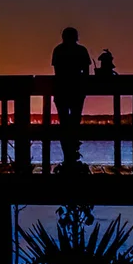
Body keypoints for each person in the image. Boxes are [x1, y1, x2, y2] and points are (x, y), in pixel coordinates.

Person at [51, 27, 91, 166]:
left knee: (64, 125)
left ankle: (67, 156)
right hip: (77, 91)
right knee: (74, 123)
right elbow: (86, 72)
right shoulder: (82, 51)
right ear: (76, 37)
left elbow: (57, 72)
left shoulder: (58, 50)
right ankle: (73, 154)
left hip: (61, 91)